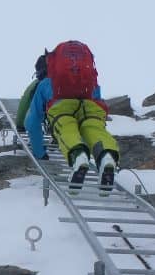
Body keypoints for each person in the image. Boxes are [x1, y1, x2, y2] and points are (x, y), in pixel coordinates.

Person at [24, 40, 120, 194]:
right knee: (94, 129)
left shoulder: (46, 84)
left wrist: (40, 153)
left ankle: (79, 156)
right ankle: (106, 156)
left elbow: (32, 122)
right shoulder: (88, 81)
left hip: (61, 107)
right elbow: (97, 98)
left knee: (66, 129)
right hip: (91, 105)